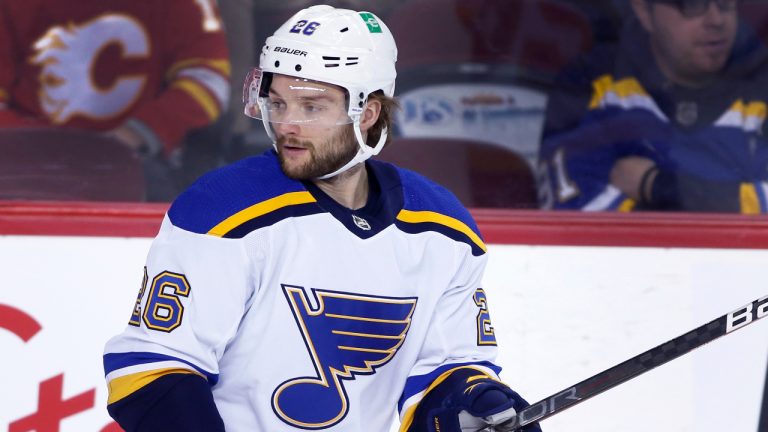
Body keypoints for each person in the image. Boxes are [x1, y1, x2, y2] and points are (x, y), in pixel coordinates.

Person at [102, 5, 541, 432]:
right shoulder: (222, 209)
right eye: (277, 103)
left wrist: (470, 403)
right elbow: (150, 372)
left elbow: (441, 375)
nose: (288, 124)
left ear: (367, 113)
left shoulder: (444, 229)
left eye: (311, 107)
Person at [537, 0, 768, 212]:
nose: (716, 20)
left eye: (726, 3)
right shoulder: (590, 83)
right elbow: (575, 225)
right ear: (645, 11)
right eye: (692, 5)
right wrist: (731, 197)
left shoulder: (761, 83)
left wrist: (652, 185)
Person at [0, 0, 230, 201]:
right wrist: (33, 143)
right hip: (24, 163)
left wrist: (136, 133)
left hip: (139, 158)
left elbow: (208, 80)